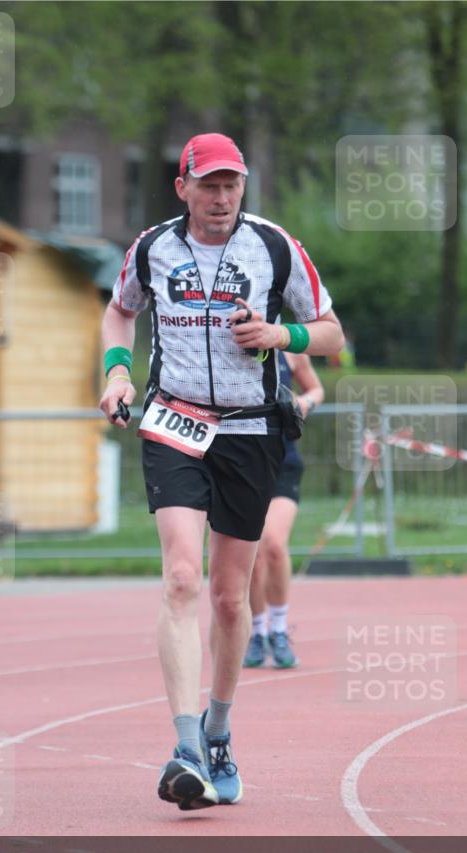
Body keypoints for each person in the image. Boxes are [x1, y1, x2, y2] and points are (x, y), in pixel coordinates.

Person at [99, 133, 343, 811]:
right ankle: (183, 747)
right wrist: (117, 374)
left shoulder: (273, 246)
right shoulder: (152, 248)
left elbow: (330, 332)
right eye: (207, 185)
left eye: (230, 184)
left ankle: (217, 729)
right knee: (181, 575)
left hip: (249, 430)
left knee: (230, 597)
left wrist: (279, 336)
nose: (220, 197)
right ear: (182, 188)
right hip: (173, 423)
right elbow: (120, 311)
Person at [244, 352, 324, 669]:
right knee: (250, 552)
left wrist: (305, 404)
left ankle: (278, 629)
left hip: (283, 463)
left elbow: (317, 389)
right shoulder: (225, 346)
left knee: (274, 544)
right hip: (241, 465)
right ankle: (256, 631)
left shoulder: (290, 349)